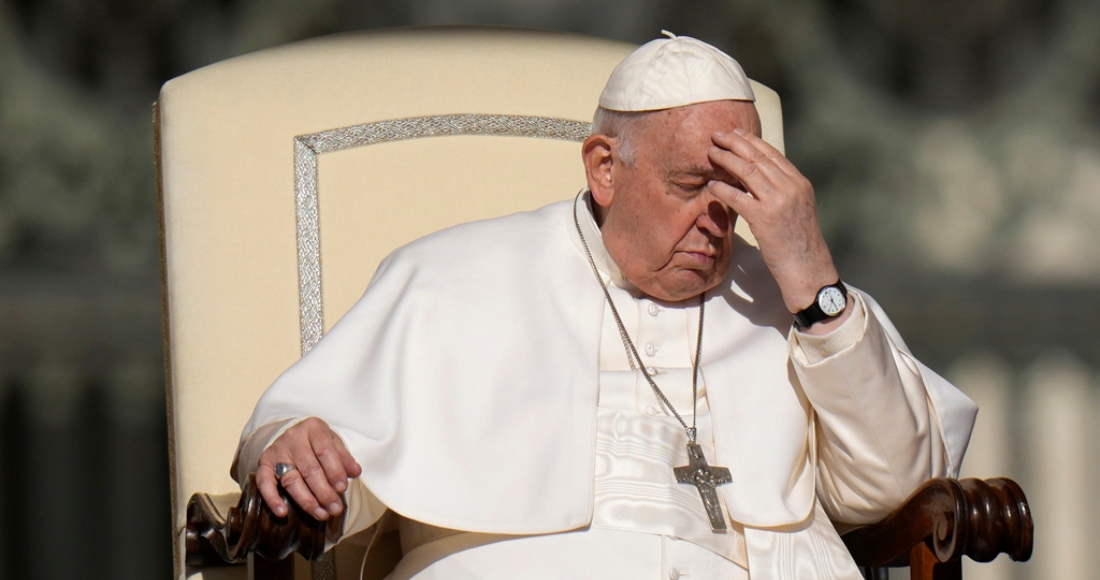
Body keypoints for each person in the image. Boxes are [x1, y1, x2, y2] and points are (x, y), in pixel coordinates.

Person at [233, 32, 977, 579]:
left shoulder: (793, 301)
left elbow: (897, 489)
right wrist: (292, 440)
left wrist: (815, 283)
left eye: (739, 191)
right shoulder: (450, 275)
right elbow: (304, 432)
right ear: (604, 169)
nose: (718, 220)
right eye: (691, 186)